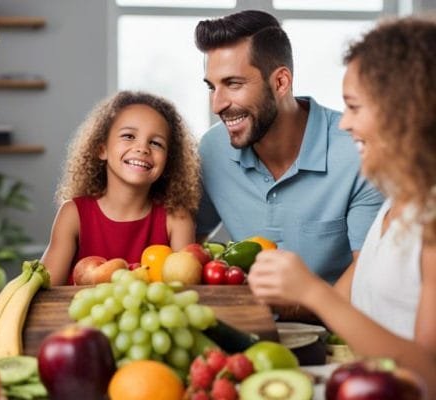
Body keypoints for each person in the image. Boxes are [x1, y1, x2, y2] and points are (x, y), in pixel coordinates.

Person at [248, 16, 436, 395]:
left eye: (354, 107)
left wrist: (309, 291)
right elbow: (343, 301)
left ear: (403, 111)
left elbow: (429, 375)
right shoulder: (399, 201)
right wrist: (285, 291)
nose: (345, 123)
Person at [194, 10, 384, 284]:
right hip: (249, 321)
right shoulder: (213, 150)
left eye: (233, 84)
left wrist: (296, 308)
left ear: (280, 82)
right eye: (212, 87)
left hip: (333, 324)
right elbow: (186, 247)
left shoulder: (356, 152)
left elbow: (368, 276)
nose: (217, 104)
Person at [41, 91, 201, 285]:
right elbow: (46, 287)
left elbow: (187, 288)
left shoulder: (177, 218)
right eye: (128, 136)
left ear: (168, 161)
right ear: (102, 149)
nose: (142, 148)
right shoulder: (72, 213)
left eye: (156, 143)